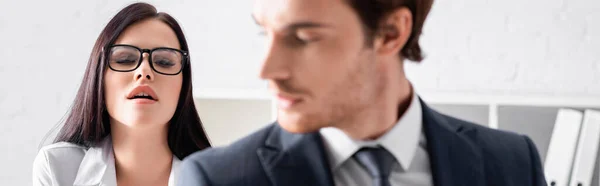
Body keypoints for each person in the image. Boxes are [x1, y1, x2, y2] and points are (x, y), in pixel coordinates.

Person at [178, 0, 546, 185]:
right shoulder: (218, 180)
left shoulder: (512, 165)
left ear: (390, 33)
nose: (266, 70)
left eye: (303, 38)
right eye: (265, 33)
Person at [32, 2, 211, 186]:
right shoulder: (57, 168)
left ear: (183, 84)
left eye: (164, 62)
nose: (144, 72)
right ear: (99, 76)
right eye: (125, 59)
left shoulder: (219, 177)